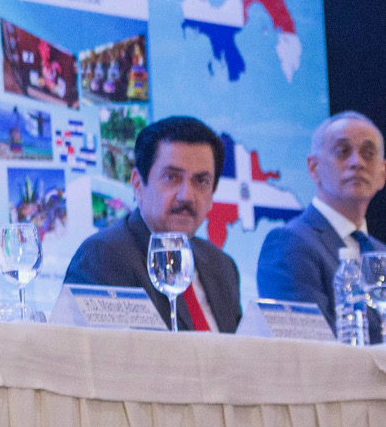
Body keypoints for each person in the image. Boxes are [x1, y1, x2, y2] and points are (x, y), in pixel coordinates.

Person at [61, 114, 241, 332]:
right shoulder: (103, 256)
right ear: (137, 184)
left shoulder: (222, 266)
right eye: (172, 177)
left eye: (201, 181)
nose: (187, 196)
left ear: (213, 194)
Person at [257, 111, 385, 328]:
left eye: (368, 153)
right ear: (313, 168)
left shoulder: (380, 252)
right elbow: (310, 346)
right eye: (343, 152)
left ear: (383, 174)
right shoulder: (289, 244)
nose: (357, 162)